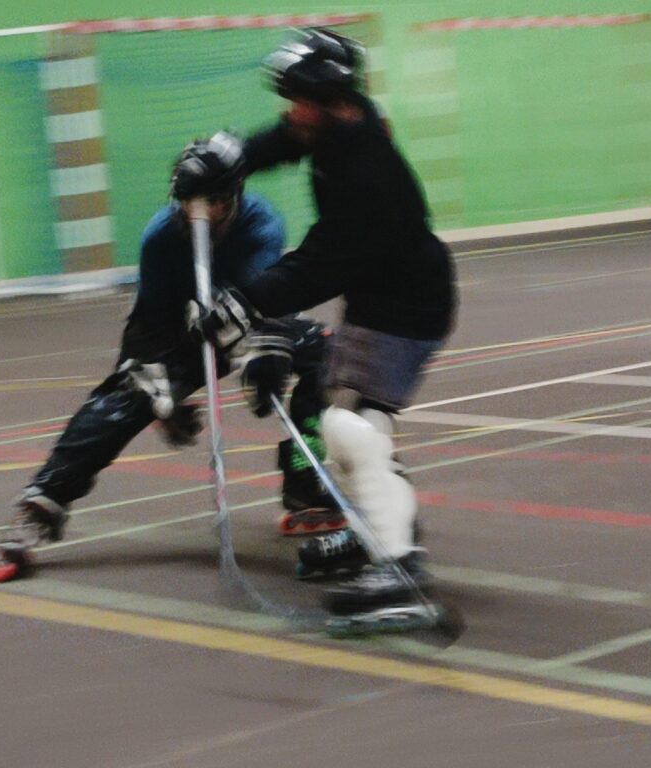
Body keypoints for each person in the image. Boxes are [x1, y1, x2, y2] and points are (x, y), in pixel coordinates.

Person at [0, 131, 340, 584]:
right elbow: (148, 324)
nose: (198, 215)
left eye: (211, 204)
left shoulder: (262, 223)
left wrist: (264, 357)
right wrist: (161, 393)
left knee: (324, 353)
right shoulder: (161, 237)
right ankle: (37, 510)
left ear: (234, 196)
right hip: (180, 332)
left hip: (245, 317)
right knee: (123, 397)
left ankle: (305, 485)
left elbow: (264, 301)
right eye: (189, 204)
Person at [197, 29, 458, 617]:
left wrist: (245, 303)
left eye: (298, 99)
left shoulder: (365, 173)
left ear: (325, 97)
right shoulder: (344, 121)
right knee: (356, 423)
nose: (291, 112)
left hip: (407, 304)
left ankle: (398, 569)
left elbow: (322, 262)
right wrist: (228, 162)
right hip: (387, 294)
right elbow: (287, 140)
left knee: (349, 426)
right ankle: (380, 537)